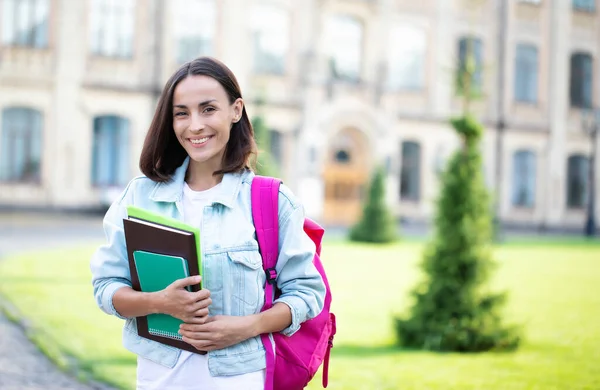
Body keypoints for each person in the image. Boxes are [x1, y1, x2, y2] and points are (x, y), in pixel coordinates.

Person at [90, 57, 326, 390]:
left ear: (236, 110)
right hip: (160, 380)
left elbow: (307, 294)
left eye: (208, 109)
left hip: (241, 379)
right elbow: (106, 287)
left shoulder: (272, 201)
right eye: (181, 113)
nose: (195, 125)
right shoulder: (138, 197)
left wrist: (249, 326)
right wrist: (159, 302)